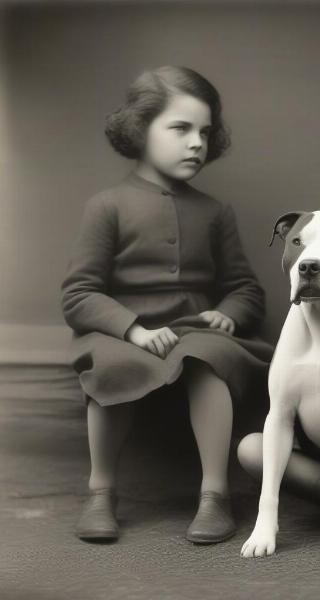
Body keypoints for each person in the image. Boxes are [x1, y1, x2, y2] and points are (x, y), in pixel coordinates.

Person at [61, 66, 272, 544]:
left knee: (209, 357)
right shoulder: (107, 205)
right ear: (140, 130)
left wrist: (230, 312)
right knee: (112, 366)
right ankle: (101, 492)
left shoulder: (215, 212)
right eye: (180, 128)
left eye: (204, 131)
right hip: (123, 332)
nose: (196, 142)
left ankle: (215, 495)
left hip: (194, 329)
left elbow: (246, 288)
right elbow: (79, 294)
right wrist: (132, 329)